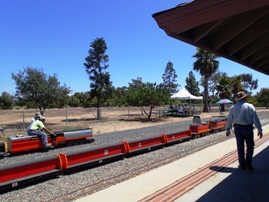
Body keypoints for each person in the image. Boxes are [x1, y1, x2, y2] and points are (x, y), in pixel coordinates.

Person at [225, 90, 263, 171]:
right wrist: (259, 130)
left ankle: (242, 165)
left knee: (240, 147)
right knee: (250, 146)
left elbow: (230, 119)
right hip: (247, 128)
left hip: (237, 129)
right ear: (245, 97)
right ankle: (248, 164)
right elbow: (255, 119)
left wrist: (227, 129)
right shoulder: (250, 106)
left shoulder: (233, 107)